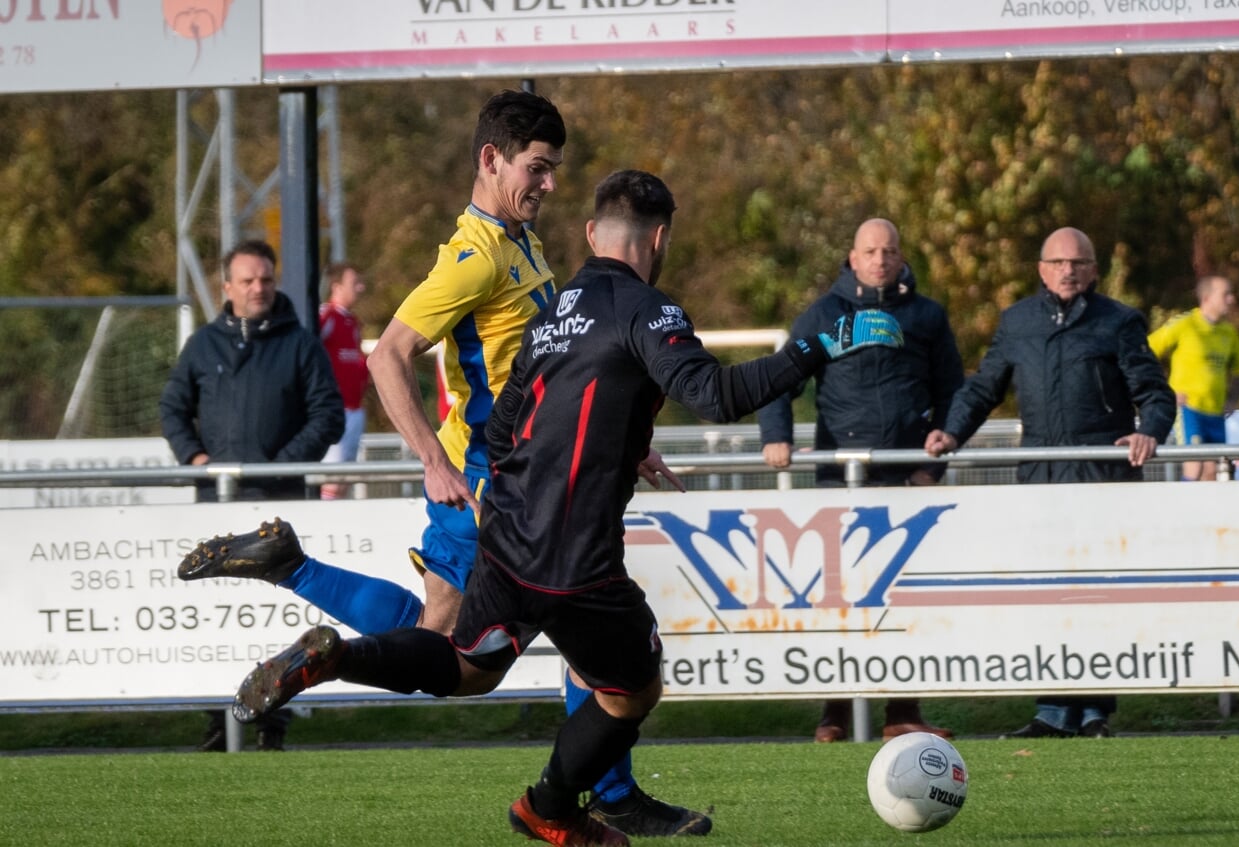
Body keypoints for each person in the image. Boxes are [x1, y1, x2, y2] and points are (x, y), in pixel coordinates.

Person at [224, 169, 902, 847]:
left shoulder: (553, 313)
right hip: (579, 557)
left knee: (465, 665)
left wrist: (606, 455)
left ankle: (341, 657)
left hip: (508, 532)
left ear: (588, 234)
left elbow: (507, 423)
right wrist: (814, 348)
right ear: (659, 237)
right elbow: (716, 395)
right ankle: (548, 805)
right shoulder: (649, 308)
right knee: (631, 689)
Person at [174, 91, 704, 837]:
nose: (549, 184)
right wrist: (432, 460)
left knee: (477, 643)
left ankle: (297, 574)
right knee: (478, 653)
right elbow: (388, 354)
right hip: (493, 486)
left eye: (553, 170)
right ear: (490, 160)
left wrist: (624, 441)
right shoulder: (474, 255)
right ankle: (602, 793)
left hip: (519, 476)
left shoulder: (520, 240)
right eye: (537, 168)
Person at [924, 227, 1175, 739]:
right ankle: (1052, 711)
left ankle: (1095, 711)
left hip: (1102, 479)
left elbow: (1155, 394)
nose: (1068, 270)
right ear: (1041, 269)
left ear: (1094, 270)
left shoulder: (1119, 322)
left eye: (1078, 262)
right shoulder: (1017, 322)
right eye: (1058, 262)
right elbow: (983, 388)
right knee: (1048, 595)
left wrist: (1149, 431)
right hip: (1040, 482)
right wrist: (951, 430)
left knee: (1099, 595)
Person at [758, 218, 962, 744]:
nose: (879, 260)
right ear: (852, 258)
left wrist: (932, 464)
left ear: (901, 257)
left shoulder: (926, 316)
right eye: (870, 251)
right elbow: (780, 378)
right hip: (838, 483)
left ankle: (902, 711)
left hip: (906, 484)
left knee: (904, 600)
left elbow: (952, 392)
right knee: (842, 601)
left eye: (889, 251)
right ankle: (835, 713)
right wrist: (776, 436)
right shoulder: (825, 315)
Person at [159, 238, 345, 751]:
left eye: (265, 278)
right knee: (219, 615)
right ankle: (219, 720)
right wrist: (196, 460)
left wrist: (281, 468)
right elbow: (173, 408)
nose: (259, 288)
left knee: (276, 613)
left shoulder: (301, 344)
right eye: (248, 280)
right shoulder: (202, 346)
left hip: (279, 507)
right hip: (216, 505)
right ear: (227, 288)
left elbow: (327, 414)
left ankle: (273, 720)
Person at [1147, 274, 1239, 481]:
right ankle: (1186, 512)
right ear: (1207, 298)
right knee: (1194, 466)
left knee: (1213, 472)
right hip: (1188, 408)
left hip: (1215, 412)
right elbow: (1147, 350)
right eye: (1225, 294)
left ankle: (1209, 514)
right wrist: (1164, 391)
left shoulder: (1228, 332)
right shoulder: (1185, 324)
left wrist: (1232, 400)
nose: (1231, 299)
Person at [318, 262, 370, 499]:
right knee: (332, 479)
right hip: (336, 410)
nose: (360, 287)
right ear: (336, 286)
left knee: (345, 477)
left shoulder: (353, 321)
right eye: (354, 283)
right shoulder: (326, 316)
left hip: (354, 409)